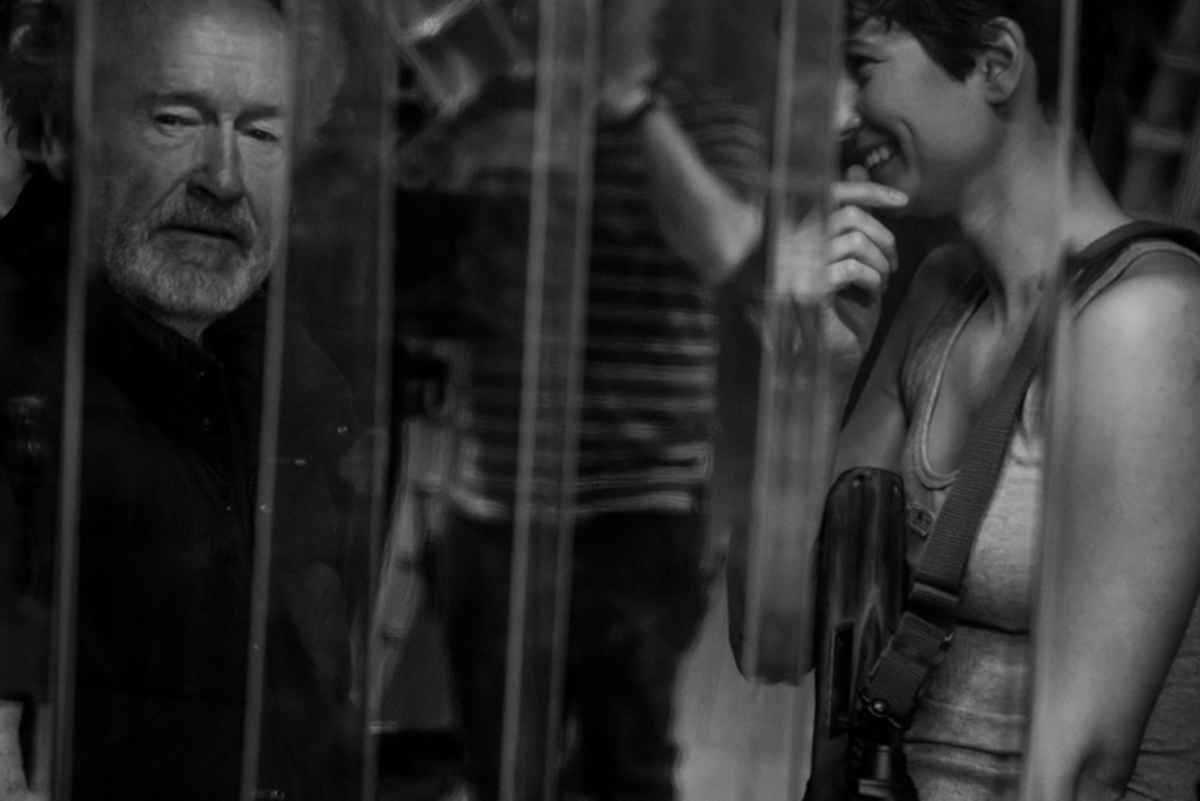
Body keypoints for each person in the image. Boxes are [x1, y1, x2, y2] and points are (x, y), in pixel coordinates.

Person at [769, 0, 1200, 798]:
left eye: (863, 68)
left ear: (997, 63)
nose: (839, 116)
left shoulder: (1147, 318)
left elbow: (1083, 768)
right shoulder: (940, 294)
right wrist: (812, 375)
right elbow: (774, 636)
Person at [0, 0, 367, 798]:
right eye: (174, 119)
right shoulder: (20, 382)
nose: (223, 178)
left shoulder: (293, 401)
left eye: (263, 133)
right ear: (60, 132)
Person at [425, 1, 765, 799]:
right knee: (497, 769)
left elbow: (725, 246)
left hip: (634, 505)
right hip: (493, 499)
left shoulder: (704, 116)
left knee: (625, 769)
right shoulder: (501, 101)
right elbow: (409, 228)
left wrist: (630, 104)